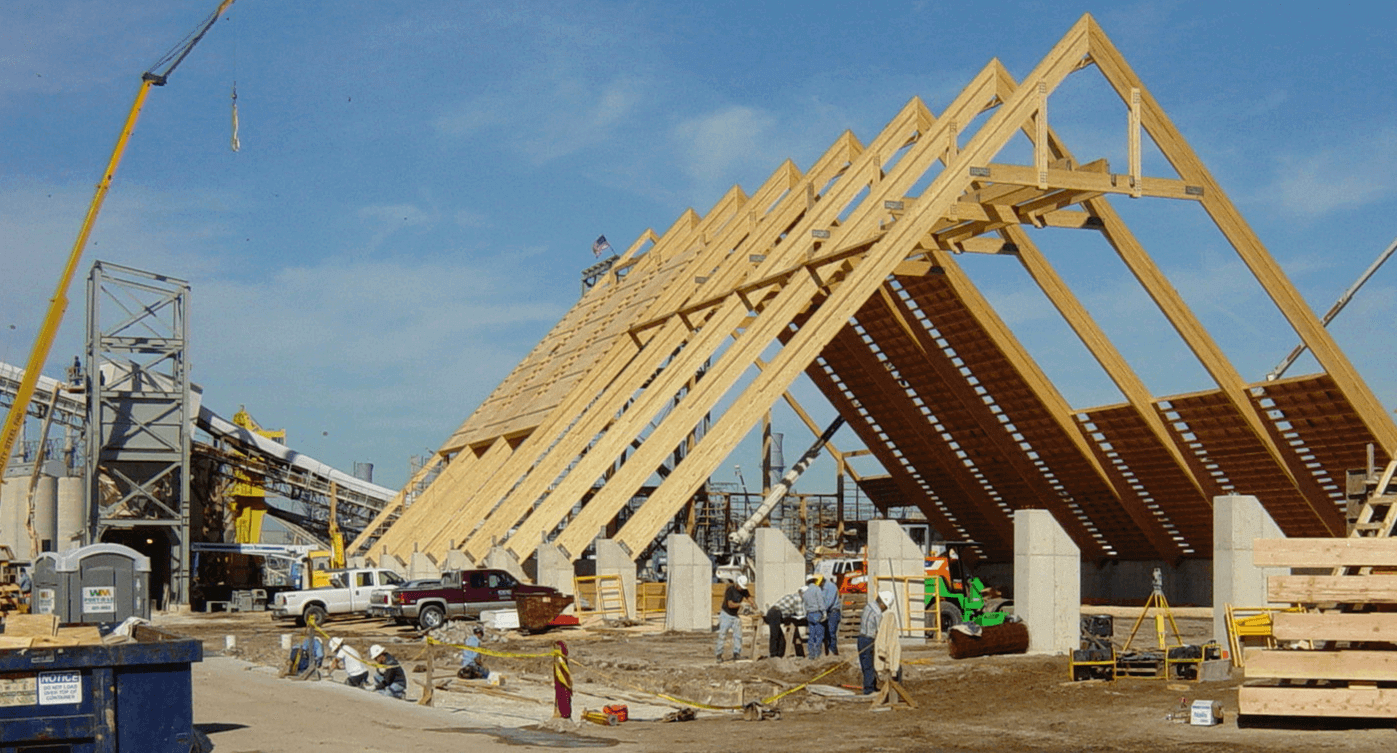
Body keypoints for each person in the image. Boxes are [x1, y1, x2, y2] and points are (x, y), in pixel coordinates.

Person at [858, 590, 893, 694]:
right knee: (869, 666)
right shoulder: (877, 613)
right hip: (869, 640)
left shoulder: (868, 606)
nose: (884, 610)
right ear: (882, 603)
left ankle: (871, 686)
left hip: (861, 638)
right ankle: (869, 690)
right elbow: (880, 630)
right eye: (885, 607)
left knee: (866, 665)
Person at [714, 574, 750, 662]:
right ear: (737, 584)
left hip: (735, 615)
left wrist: (754, 606)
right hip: (726, 614)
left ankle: (736, 653)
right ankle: (719, 654)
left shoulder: (744, 590)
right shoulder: (730, 590)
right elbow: (730, 604)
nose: (741, 589)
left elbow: (749, 599)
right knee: (722, 635)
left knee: (738, 635)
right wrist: (741, 605)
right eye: (740, 587)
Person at [764, 586, 807, 659]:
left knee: (780, 637)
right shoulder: (798, 599)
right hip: (775, 613)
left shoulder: (793, 596)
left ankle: (779, 654)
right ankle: (774, 655)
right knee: (775, 635)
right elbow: (800, 614)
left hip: (774, 613)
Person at [801, 574, 827, 659]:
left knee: (811, 635)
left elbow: (804, 605)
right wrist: (824, 612)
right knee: (819, 635)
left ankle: (811, 654)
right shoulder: (817, 589)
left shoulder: (806, 592)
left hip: (809, 614)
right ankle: (817, 654)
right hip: (817, 613)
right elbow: (820, 602)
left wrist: (806, 614)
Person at [821, 572, 842, 656]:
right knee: (825, 632)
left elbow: (828, 602)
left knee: (831, 631)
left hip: (833, 611)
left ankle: (833, 651)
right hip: (826, 611)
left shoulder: (831, 587)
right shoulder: (820, 587)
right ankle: (827, 652)